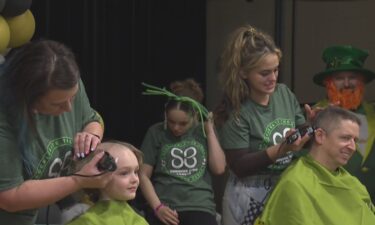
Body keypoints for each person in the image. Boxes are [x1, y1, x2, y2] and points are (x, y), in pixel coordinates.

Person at [0, 39, 112, 225]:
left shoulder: (66, 85)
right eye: (58, 104)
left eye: (73, 98)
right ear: (28, 98)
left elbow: (92, 119)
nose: (69, 108)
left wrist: (91, 134)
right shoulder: (5, 120)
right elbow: (9, 197)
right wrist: (79, 181)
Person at [214, 25, 311, 225]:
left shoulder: (284, 93)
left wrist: (312, 123)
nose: (273, 78)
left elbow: (300, 135)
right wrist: (281, 149)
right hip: (248, 194)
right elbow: (239, 165)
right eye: (265, 73)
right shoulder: (237, 109)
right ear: (243, 73)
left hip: (284, 185)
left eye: (276, 70)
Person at [256, 106, 375, 225]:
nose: (353, 147)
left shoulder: (354, 184)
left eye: (355, 140)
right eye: (345, 138)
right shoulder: (295, 184)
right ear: (320, 136)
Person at [139, 79, 226, 225]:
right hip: (165, 206)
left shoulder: (203, 132)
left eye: (183, 123)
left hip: (199, 206)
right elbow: (142, 174)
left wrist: (210, 131)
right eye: (172, 121)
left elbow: (219, 168)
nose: (176, 128)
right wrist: (157, 207)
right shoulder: (156, 132)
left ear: (195, 115)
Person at [311, 45, 375, 202]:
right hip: (333, 206)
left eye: (352, 77)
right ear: (329, 83)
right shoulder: (315, 116)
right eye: (339, 78)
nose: (347, 84)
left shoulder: (372, 113)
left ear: (361, 82)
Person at [66, 140, 149, 225]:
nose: (135, 179)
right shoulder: (88, 222)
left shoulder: (137, 218)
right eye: (124, 173)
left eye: (136, 172)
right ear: (98, 175)